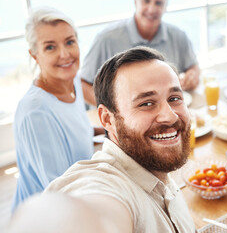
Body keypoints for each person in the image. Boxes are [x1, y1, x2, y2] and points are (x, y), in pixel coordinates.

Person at [9, 47, 195, 232]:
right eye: (146, 103)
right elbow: (94, 212)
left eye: (174, 98)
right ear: (107, 119)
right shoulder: (106, 186)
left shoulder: (155, 166)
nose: (170, 116)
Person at [12, 7, 104, 212]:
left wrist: (106, 131)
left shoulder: (73, 83)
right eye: (50, 47)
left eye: (70, 42)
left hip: (81, 193)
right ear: (35, 55)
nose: (65, 55)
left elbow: (72, 131)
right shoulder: (36, 112)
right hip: (46, 217)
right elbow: (59, 191)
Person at [80, 0, 200, 106]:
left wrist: (192, 75)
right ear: (135, 2)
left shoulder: (179, 36)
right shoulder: (106, 39)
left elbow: (193, 66)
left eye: (158, 3)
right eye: (146, 1)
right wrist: (113, 110)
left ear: (166, 6)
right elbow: (83, 84)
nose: (152, 9)